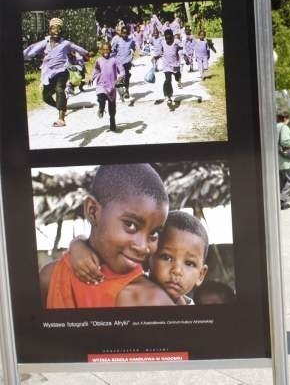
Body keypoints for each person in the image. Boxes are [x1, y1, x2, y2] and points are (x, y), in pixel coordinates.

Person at [39, 164, 174, 308]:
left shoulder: (153, 300)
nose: (143, 247)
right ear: (93, 212)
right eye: (130, 224)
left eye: (153, 233)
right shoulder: (50, 278)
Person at [70, 210, 209, 306]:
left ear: (201, 275)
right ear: (147, 258)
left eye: (189, 263)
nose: (177, 270)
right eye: (166, 257)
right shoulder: (131, 285)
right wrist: (78, 245)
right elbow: (98, 250)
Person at [23, 17, 89, 127]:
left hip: (62, 70)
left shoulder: (65, 43)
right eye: (53, 28)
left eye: (58, 28)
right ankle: (61, 107)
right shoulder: (45, 42)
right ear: (49, 29)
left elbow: (79, 49)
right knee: (46, 97)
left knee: (59, 89)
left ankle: (61, 118)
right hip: (48, 73)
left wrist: (86, 54)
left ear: (61, 30)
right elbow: (32, 49)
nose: (56, 31)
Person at [92, 42, 124, 132]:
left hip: (112, 86)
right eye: (104, 49)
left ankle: (112, 122)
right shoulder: (99, 60)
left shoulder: (114, 60)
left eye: (107, 49)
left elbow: (121, 70)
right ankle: (101, 109)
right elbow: (96, 70)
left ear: (110, 50)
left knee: (112, 107)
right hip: (101, 84)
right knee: (101, 97)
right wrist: (92, 78)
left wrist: (120, 77)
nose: (106, 51)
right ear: (101, 50)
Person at [156, 29, 182, 106]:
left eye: (169, 38)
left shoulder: (176, 42)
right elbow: (160, 52)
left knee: (177, 77)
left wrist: (185, 55)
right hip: (166, 65)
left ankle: (178, 79)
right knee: (167, 80)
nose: (168, 40)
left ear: (172, 37)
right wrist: (156, 57)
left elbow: (182, 48)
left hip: (175, 64)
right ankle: (168, 96)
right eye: (166, 38)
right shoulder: (163, 42)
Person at [276, 111, 290, 210]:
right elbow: (285, 141)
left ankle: (279, 201)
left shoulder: (274, 127)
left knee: (281, 181)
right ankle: (282, 200)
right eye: (288, 118)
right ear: (285, 118)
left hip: (277, 160)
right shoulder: (284, 127)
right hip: (285, 160)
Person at [110, 25, 135, 99]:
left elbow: (133, 48)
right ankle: (121, 92)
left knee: (127, 77)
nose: (125, 34)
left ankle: (126, 91)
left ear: (128, 33)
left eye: (126, 33)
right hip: (119, 63)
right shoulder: (117, 41)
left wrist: (131, 56)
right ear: (121, 33)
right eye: (123, 33)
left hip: (127, 62)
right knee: (121, 79)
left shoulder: (131, 41)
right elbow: (112, 51)